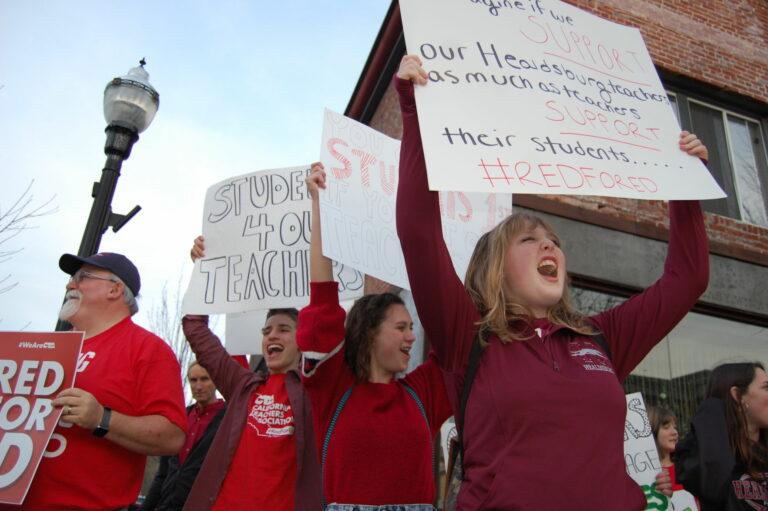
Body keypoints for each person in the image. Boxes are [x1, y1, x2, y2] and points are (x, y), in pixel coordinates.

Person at [394, 54, 710, 509]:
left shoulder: (601, 338)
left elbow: (688, 279)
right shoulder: (468, 340)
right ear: (494, 270)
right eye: (529, 239)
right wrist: (414, 113)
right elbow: (418, 233)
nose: (550, 248)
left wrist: (684, 187)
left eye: (554, 241)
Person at [296, 163, 452, 510]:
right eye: (401, 327)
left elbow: (452, 328)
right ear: (368, 331)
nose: (412, 337)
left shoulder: (423, 392)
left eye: (412, 327)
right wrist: (318, 204)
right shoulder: (333, 387)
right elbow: (322, 298)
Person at [3, 252, 188, 511]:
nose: (70, 285)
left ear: (115, 289)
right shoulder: (44, 348)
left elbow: (172, 437)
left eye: (82, 277)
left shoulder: (147, 349)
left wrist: (102, 418)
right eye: (71, 279)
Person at [181, 239, 322, 511]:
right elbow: (195, 330)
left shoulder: (316, 391)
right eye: (266, 331)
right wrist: (203, 269)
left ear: (303, 337)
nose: (272, 335)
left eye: (283, 329)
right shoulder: (243, 385)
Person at [676, 362, 768, 510]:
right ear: (737, 395)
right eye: (766, 387)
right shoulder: (708, 455)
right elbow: (711, 486)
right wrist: (713, 407)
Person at [141, 362, 226, 511]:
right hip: (166, 504)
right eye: (193, 380)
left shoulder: (228, 420)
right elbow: (163, 472)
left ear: (216, 380)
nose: (198, 386)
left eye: (204, 379)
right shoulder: (180, 417)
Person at [649, 406, 684, 492]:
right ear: (653, 431)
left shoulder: (686, 466)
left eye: (675, 427)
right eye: (666, 427)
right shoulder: (645, 474)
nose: (675, 432)